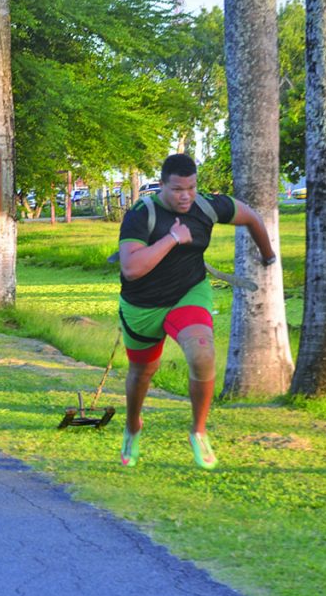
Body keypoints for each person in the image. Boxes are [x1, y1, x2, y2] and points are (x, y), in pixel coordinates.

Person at [117, 153, 276, 470]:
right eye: (177, 189)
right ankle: (133, 425)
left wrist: (268, 256)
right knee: (141, 375)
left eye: (191, 187)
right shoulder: (141, 213)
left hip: (188, 293)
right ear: (162, 185)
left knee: (203, 354)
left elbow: (252, 218)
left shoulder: (206, 206)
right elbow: (132, 268)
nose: (185, 195)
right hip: (142, 306)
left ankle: (199, 430)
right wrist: (173, 238)